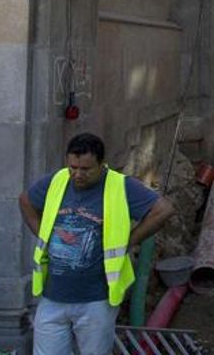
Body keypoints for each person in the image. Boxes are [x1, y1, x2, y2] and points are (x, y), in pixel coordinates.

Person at [19, 132, 175, 355]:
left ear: (102, 164)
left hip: (96, 299)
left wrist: (129, 241)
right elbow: (25, 200)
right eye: (73, 167)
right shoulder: (57, 181)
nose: (77, 175)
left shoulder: (120, 186)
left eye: (86, 169)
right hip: (53, 296)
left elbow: (164, 210)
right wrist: (44, 235)